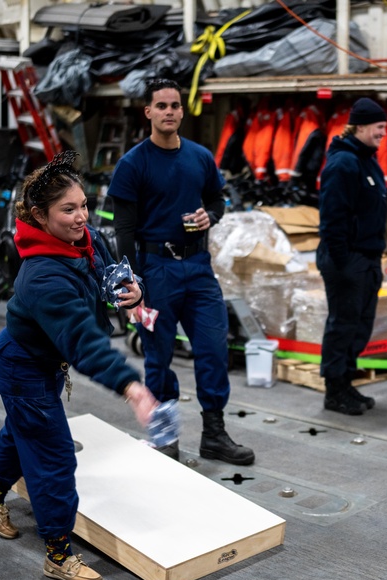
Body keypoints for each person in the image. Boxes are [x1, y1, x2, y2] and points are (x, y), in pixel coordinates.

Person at [0, 151, 158, 580]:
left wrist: (130, 295)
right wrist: (129, 385)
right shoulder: (42, 276)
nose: (82, 217)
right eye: (68, 209)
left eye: (83, 205)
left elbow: (107, 273)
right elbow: (82, 337)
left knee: (23, 433)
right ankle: (58, 552)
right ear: (39, 215)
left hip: (43, 365)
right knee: (53, 457)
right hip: (25, 367)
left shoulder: (82, 237)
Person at [107, 78, 254, 465]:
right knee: (158, 356)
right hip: (156, 272)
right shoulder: (132, 164)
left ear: (182, 111)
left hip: (199, 267)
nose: (169, 111)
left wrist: (212, 215)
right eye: (162, 105)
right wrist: (131, 281)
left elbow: (217, 200)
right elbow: (123, 229)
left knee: (213, 349)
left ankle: (215, 435)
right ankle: (165, 437)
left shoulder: (201, 157)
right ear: (149, 112)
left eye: (175, 105)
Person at [317, 97, 387, 416]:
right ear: (360, 126)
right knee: (342, 325)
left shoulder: (368, 159)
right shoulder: (343, 163)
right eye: (379, 127)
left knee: (359, 325)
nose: (383, 133)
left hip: (367, 258)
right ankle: (334, 390)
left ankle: (345, 381)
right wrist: (344, 262)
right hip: (347, 259)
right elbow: (332, 218)